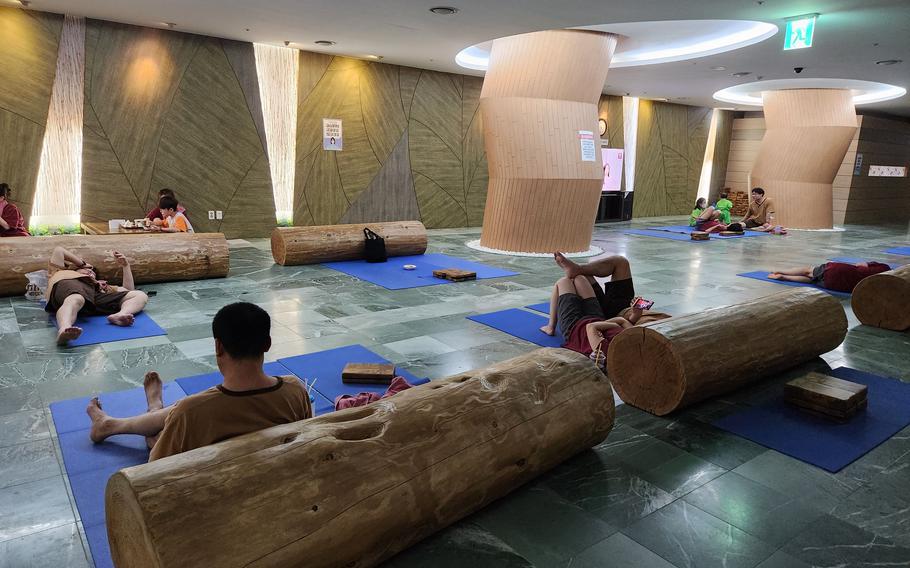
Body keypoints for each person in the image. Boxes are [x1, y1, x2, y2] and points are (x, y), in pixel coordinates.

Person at [86, 302, 312, 461]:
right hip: (275, 466)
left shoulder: (191, 411)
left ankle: (144, 413)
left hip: (215, 481)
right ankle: (148, 412)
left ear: (218, 346)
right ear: (267, 344)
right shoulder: (294, 390)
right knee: (186, 412)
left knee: (169, 426)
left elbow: (155, 468)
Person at [45, 246, 149, 345]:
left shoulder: (99, 286)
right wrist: (82, 264)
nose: (90, 271)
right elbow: (59, 250)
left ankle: (120, 315)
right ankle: (64, 329)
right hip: (70, 289)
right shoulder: (62, 273)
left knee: (140, 295)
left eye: (93, 272)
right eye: (87, 270)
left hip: (93, 298)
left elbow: (127, 290)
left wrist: (125, 266)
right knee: (76, 298)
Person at [769, 261, 891, 293]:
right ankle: (785, 278)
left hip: (837, 270)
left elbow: (861, 264)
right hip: (834, 285)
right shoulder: (881, 287)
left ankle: (780, 270)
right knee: (811, 280)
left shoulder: (884, 267)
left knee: (808, 270)